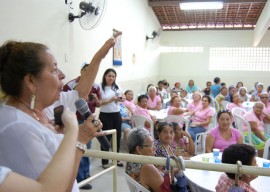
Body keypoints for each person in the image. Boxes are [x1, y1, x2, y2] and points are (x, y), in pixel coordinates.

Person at [0, 41, 103, 192]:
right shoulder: (17, 127)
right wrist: (78, 138)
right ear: (31, 81)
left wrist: (63, 134)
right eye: (54, 69)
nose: (62, 74)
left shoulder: (33, 115)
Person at [0, 108, 91, 192]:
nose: (61, 89)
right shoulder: (18, 125)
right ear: (32, 88)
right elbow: (55, 188)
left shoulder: (19, 118)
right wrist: (75, 135)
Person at [62, 62, 102, 189]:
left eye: (91, 70)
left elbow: (99, 104)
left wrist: (95, 100)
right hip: (76, 121)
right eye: (86, 70)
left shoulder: (95, 86)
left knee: (86, 149)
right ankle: (79, 178)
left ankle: (86, 173)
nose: (88, 73)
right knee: (77, 148)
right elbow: (64, 103)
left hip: (89, 120)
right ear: (81, 71)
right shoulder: (70, 85)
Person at [99, 68, 124, 168]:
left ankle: (116, 159)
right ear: (105, 76)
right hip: (105, 115)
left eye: (113, 76)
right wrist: (109, 100)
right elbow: (98, 103)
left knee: (117, 137)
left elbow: (121, 98)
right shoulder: (100, 87)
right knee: (105, 138)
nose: (111, 78)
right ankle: (105, 161)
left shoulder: (117, 87)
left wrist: (122, 99)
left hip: (116, 115)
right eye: (109, 76)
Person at [126, 127, 163, 192]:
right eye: (151, 145)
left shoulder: (129, 161)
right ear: (139, 149)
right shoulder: (147, 168)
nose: (155, 148)